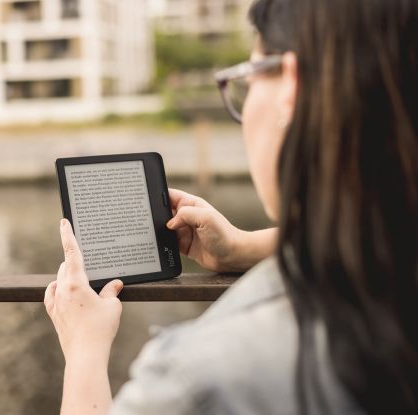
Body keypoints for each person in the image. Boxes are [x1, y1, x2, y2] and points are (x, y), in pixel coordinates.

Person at [44, 0, 418, 413]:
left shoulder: (198, 379)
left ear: (290, 89)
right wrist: (243, 248)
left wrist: (83, 352)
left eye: (248, 78)